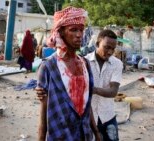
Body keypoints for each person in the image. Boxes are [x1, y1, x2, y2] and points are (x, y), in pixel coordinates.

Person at [35, 6, 101, 141]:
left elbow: (87, 104)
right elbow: (43, 112)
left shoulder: (85, 64)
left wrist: (96, 132)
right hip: (60, 135)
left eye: (81, 30)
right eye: (73, 30)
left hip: (85, 135)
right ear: (61, 32)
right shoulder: (48, 67)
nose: (79, 35)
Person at [85, 29, 123, 141]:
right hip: (88, 118)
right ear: (97, 44)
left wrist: (93, 89)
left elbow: (113, 92)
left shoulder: (117, 64)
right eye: (107, 47)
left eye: (113, 48)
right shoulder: (84, 62)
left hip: (108, 116)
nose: (110, 52)